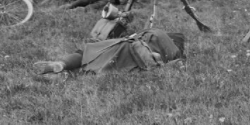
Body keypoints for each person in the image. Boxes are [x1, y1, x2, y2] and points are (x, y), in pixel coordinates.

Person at [35, 29, 185, 76]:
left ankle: (63, 63)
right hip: (139, 55)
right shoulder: (171, 46)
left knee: (86, 53)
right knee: (139, 70)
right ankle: (97, 71)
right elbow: (175, 62)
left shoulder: (148, 33)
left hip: (121, 43)